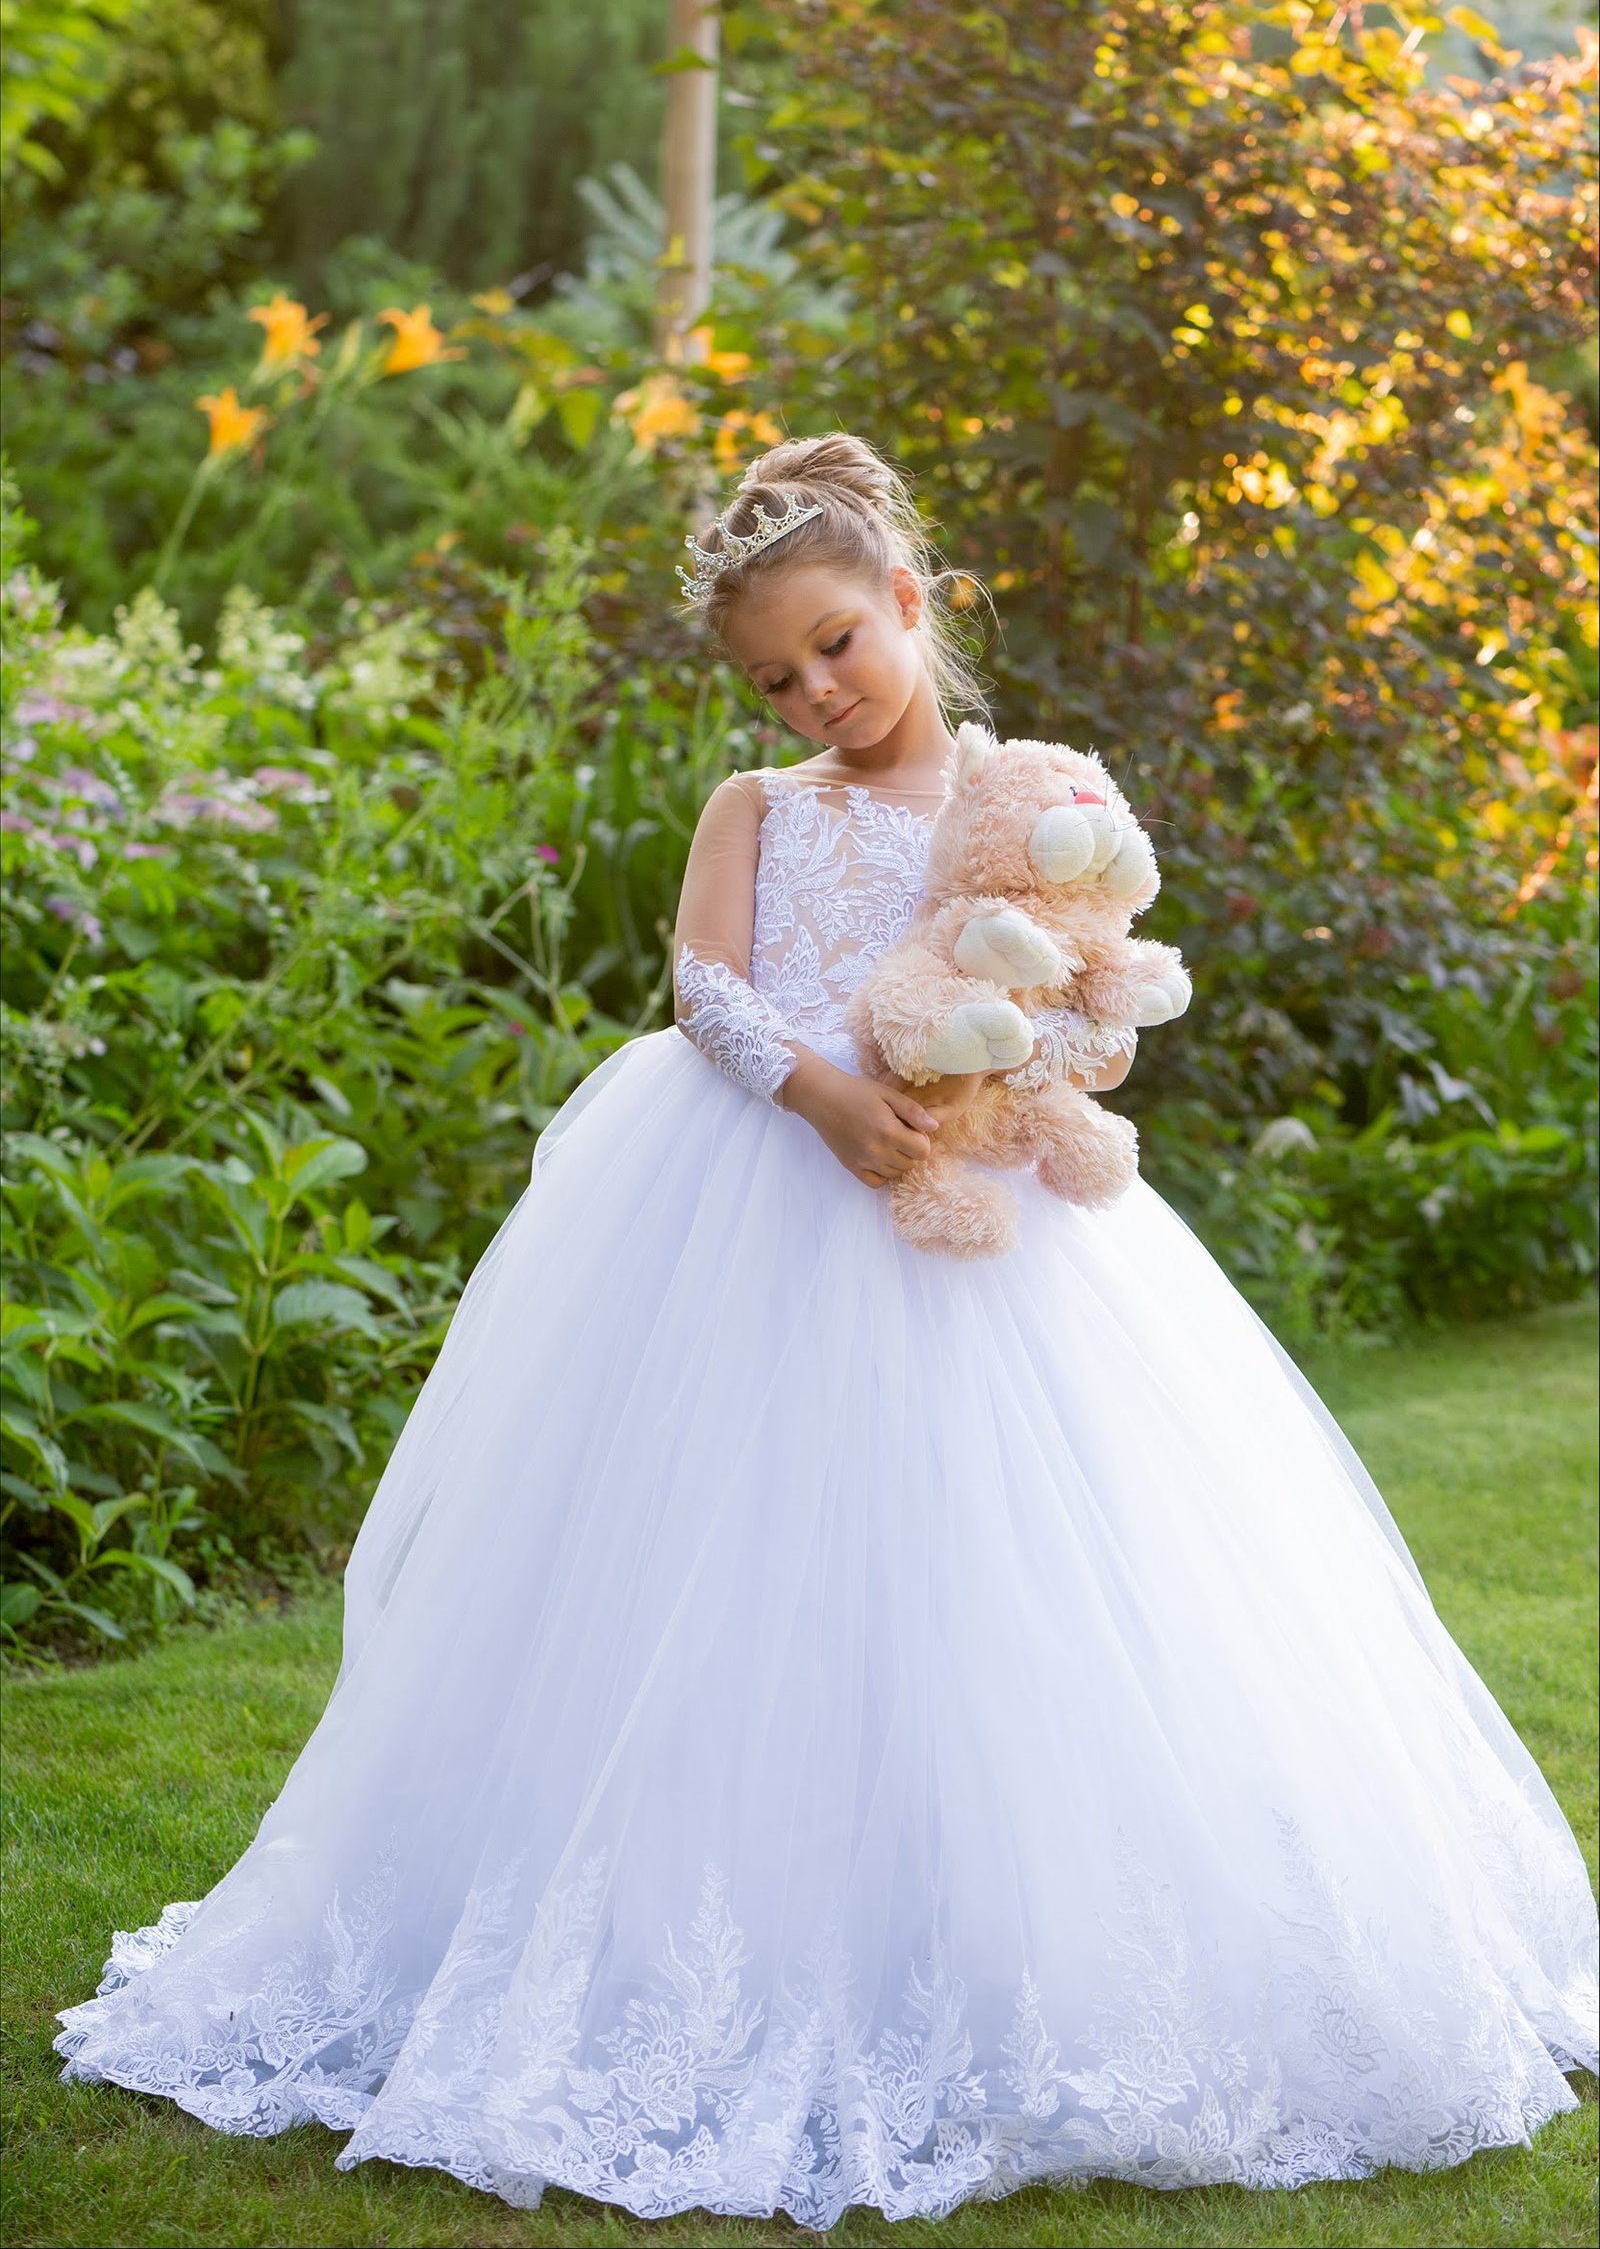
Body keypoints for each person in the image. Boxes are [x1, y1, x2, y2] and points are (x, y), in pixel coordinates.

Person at [56, 433, 1598, 2231]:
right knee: (717, 1565)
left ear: (912, 603)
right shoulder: (757, 810)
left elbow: (1087, 998)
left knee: (1000, 1570)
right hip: (754, 1199)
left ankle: (1007, 1921)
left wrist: (1019, 1067)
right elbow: (702, 985)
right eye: (777, 676)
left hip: (985, 1224)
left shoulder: (1023, 801)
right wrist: (821, 1096)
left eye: (838, 648)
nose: (815, 694)